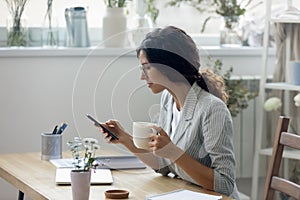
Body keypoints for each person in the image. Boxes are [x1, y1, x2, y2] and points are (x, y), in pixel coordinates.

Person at [100, 26, 240, 199]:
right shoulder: (168, 98)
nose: (142, 77)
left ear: (169, 66)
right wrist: (125, 138)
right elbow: (164, 165)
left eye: (147, 68)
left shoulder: (212, 109)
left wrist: (172, 152)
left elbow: (225, 184)